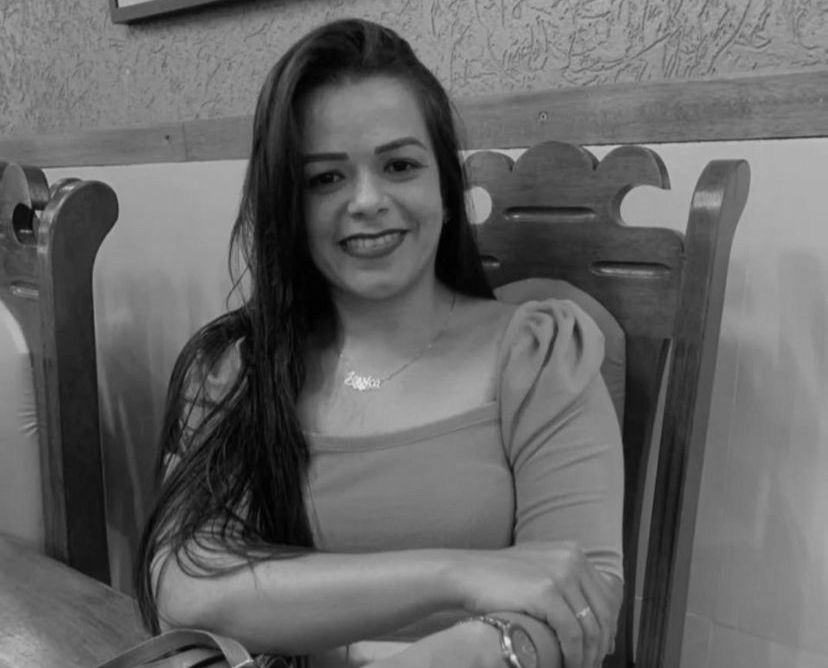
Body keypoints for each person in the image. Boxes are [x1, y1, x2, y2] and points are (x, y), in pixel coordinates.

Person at [135, 18, 624, 668]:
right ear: (288, 208)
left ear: (445, 189)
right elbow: (185, 585)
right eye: (325, 179)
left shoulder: (539, 354)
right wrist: (456, 573)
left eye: (399, 166)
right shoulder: (236, 367)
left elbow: (581, 606)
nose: (367, 200)